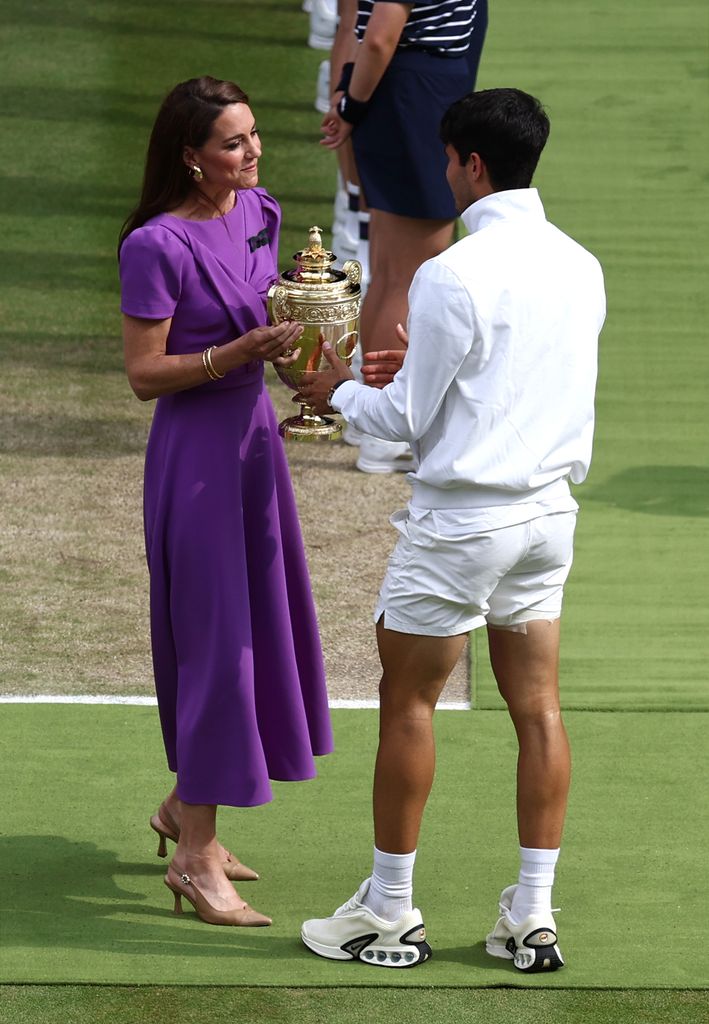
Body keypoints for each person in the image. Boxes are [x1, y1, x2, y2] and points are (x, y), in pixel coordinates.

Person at [297, 88, 606, 970]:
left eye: (446, 160)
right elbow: (492, 383)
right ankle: (532, 917)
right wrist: (400, 383)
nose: (443, 174)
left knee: (408, 702)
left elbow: (402, 421)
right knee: (538, 711)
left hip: (461, 528)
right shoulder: (581, 265)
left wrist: (337, 393)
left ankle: (389, 912)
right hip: (547, 522)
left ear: (470, 164)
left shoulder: (451, 273)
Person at [118, 76, 333, 928]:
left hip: (254, 451)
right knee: (216, 648)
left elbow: (277, 313)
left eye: (252, 137)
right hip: (195, 461)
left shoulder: (261, 211)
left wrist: (310, 371)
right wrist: (234, 352)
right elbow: (144, 376)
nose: (252, 154)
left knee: (250, 633)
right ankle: (196, 859)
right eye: (232, 145)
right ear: (189, 156)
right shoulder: (154, 246)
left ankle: (184, 808)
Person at [321, 0, 487, 472]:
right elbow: (375, 35)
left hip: (411, 92)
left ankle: (366, 417)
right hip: (414, 97)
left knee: (392, 269)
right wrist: (350, 107)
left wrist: (348, 99)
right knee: (408, 271)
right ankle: (379, 432)